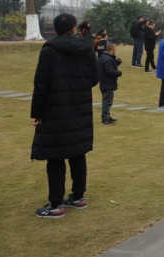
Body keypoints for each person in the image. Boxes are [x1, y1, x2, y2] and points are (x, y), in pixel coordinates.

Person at [30, 13, 99, 218]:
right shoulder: (86, 49)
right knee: (77, 152)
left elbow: (40, 84)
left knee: (56, 156)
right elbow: (94, 78)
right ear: (74, 29)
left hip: (55, 110)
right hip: (80, 108)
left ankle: (56, 204)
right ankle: (78, 196)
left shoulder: (50, 49)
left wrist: (37, 113)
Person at [97, 42, 123, 125]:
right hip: (107, 83)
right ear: (113, 49)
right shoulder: (108, 59)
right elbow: (110, 71)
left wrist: (117, 62)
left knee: (107, 100)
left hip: (104, 82)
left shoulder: (104, 57)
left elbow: (109, 67)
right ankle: (105, 118)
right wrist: (119, 73)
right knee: (107, 101)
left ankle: (107, 116)